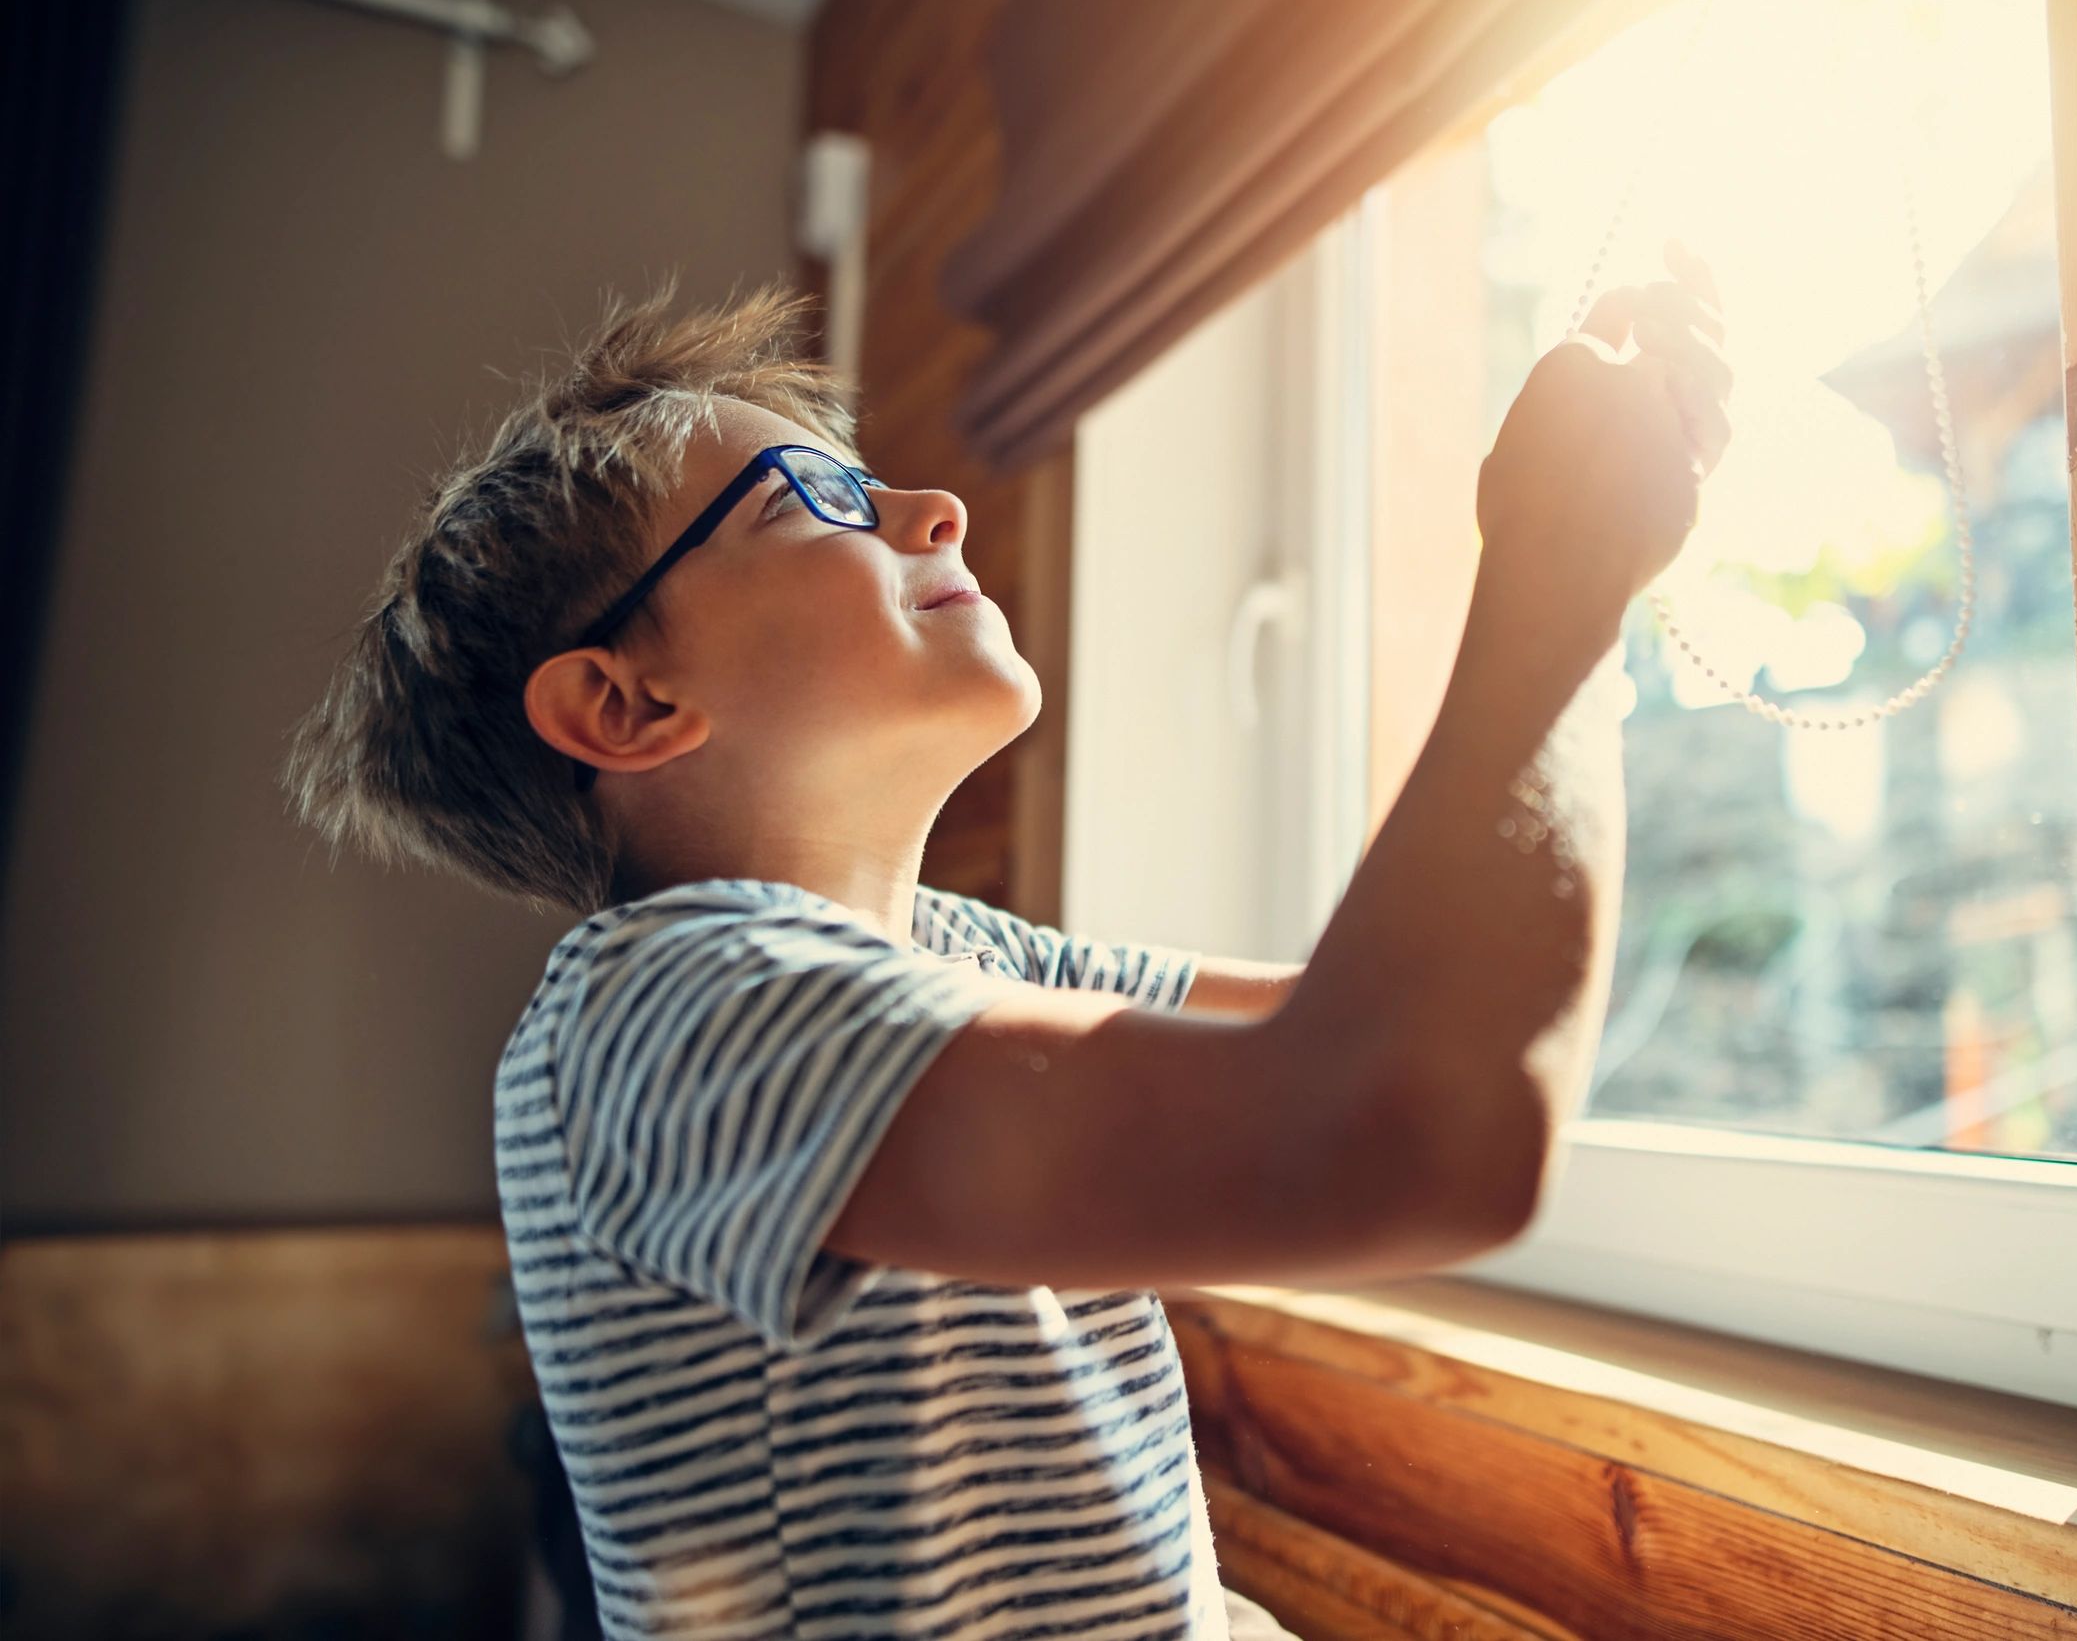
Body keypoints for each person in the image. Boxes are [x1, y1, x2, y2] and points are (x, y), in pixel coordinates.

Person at [279, 243, 1729, 1640]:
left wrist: (1587, 536)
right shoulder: (657, 1006)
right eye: (812, 503)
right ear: (628, 706)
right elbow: (1413, 1120)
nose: (934, 512)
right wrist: (1561, 571)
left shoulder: (970, 958)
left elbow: (1395, 1021)